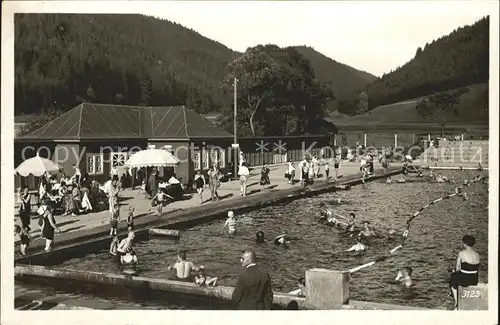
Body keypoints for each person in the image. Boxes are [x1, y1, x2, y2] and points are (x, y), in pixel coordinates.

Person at [449, 235, 480, 310]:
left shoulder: (461, 253)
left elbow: (457, 268)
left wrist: (454, 271)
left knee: (453, 277)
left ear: (465, 244)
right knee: (458, 275)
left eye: (463, 242)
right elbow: (475, 268)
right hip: (474, 279)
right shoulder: (477, 255)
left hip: (465, 279)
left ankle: (456, 302)